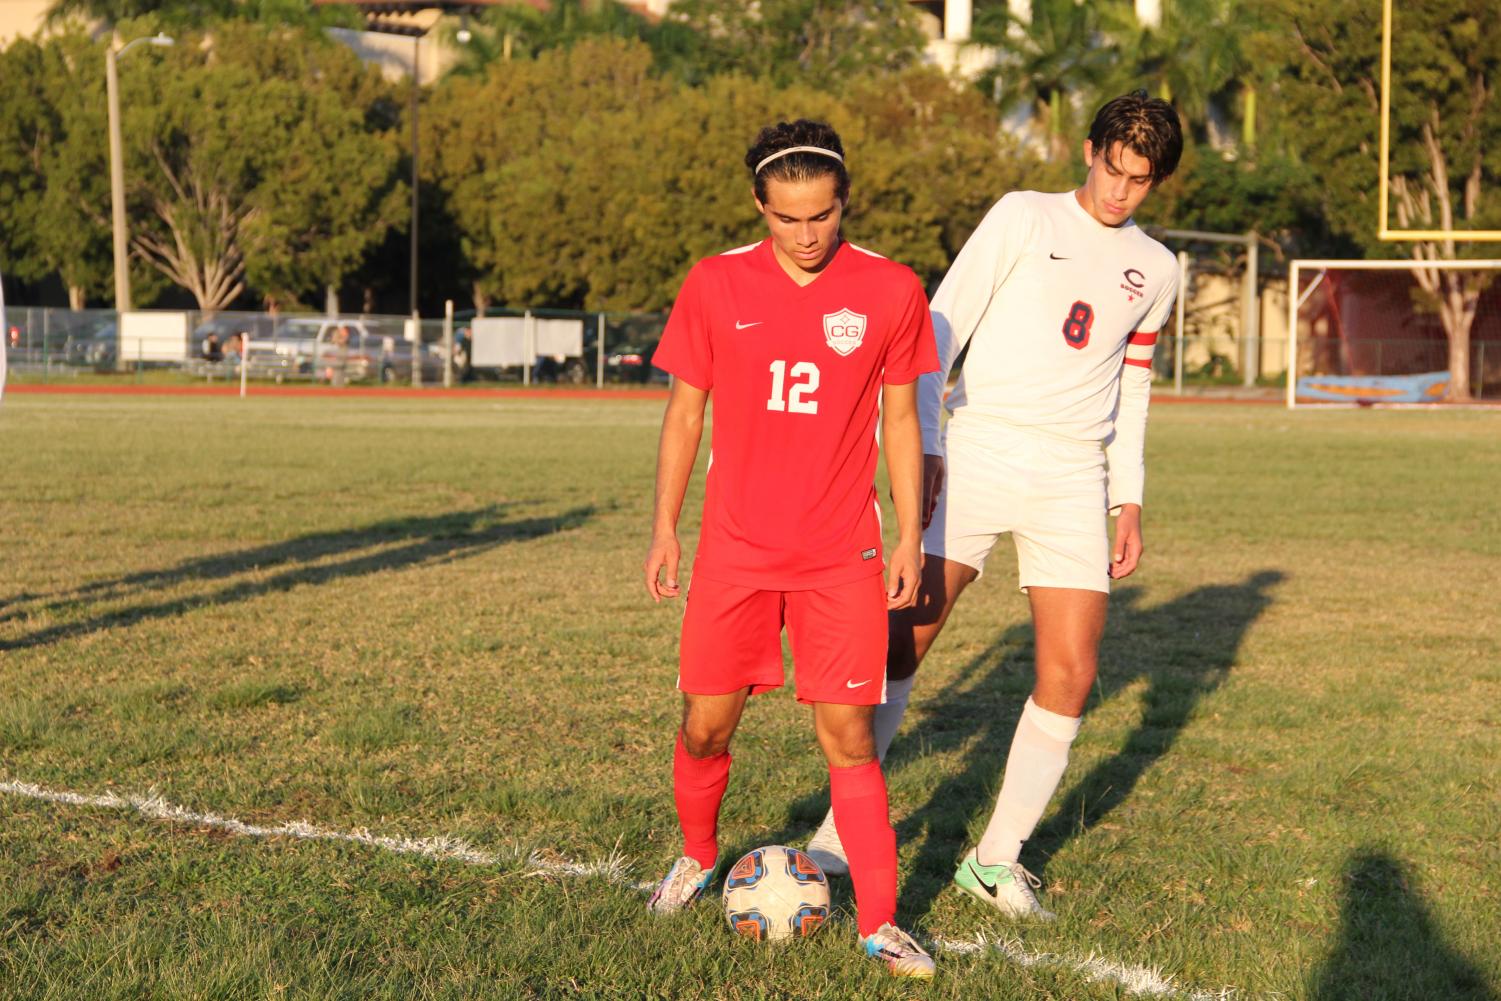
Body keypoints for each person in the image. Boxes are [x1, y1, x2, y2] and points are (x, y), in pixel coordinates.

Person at [804, 92, 1184, 922]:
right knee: (903, 639)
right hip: (976, 446)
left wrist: (1129, 498)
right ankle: (836, 832)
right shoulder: (1021, 215)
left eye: (1139, 181)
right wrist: (928, 448)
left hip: (1072, 473)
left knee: (1072, 671)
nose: (1119, 192)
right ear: (1087, 151)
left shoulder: (1158, 269)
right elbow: (938, 331)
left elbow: (1135, 386)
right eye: (1111, 170)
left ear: (1156, 184)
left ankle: (994, 859)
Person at [643, 119, 939, 977]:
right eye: (787, 219)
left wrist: (909, 534)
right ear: (758, 207)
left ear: (844, 201)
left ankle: (879, 922)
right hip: (732, 552)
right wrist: (665, 526)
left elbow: (898, 421)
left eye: (823, 216)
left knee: (847, 735)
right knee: (705, 726)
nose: (807, 236)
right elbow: (684, 414)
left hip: (838, 553)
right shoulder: (714, 283)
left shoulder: (888, 289)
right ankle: (698, 856)